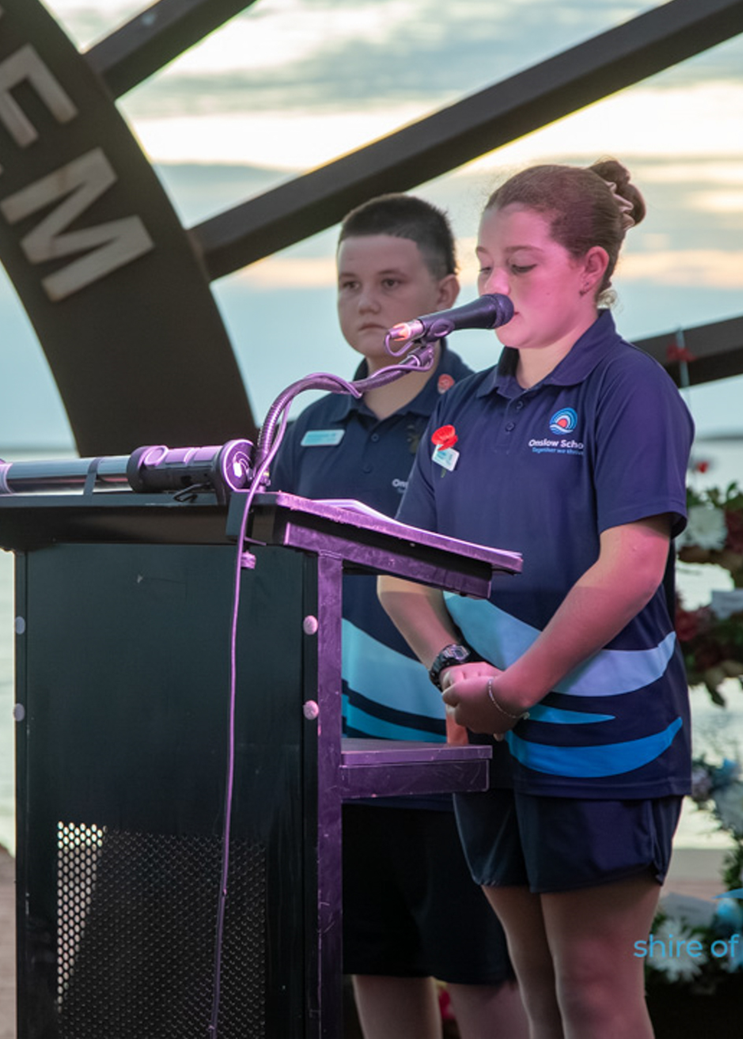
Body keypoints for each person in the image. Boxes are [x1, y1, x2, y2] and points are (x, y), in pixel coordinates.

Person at [379, 159, 693, 1039]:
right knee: (538, 984)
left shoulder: (628, 387)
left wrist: (514, 690)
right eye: (486, 266)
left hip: (606, 735)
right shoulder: (467, 404)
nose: (495, 287)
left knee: (595, 990)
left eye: (521, 265)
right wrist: (455, 671)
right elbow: (401, 573)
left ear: (591, 269)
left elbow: (631, 567)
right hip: (490, 732)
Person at [270, 194, 527, 1039]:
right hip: (339, 755)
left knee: (483, 975)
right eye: (349, 285)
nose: (367, 303)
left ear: (446, 294)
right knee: (376, 965)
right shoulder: (309, 423)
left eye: (390, 282)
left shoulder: (485, 415)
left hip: (452, 749)